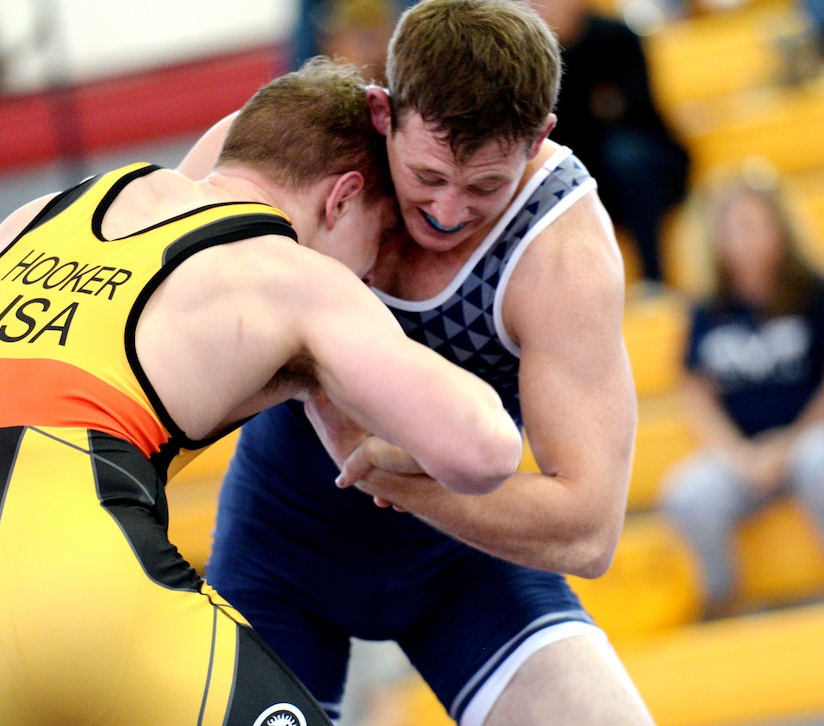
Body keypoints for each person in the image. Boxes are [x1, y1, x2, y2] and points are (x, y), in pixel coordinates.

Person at [0, 58, 525, 726]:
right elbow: (481, 449)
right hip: (73, 593)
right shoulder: (287, 273)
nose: (372, 274)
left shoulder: (42, 213)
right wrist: (374, 439)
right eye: (378, 243)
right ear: (341, 198)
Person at [179, 1, 653, 723]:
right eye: (426, 175)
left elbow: (588, 531)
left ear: (538, 140)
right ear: (383, 114)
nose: (448, 212)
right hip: (283, 546)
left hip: (463, 564)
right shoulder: (295, 148)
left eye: (486, 187)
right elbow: (156, 291)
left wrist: (391, 475)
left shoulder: (560, 250)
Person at [659, 168, 824, 619]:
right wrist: (738, 455)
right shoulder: (707, 307)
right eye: (734, 226)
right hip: (744, 454)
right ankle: (722, 600)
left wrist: (792, 441)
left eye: (755, 222)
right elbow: (696, 392)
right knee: (687, 492)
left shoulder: (815, 291)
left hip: (810, 438)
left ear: (780, 225)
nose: (745, 236)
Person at [529, 0, 691, 285]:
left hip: (644, 165)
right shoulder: (531, 57)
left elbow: (640, 110)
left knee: (627, 156)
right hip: (585, 168)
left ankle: (655, 279)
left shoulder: (617, 36)